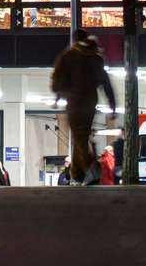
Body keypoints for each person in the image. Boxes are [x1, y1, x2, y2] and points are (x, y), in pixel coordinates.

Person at [51, 31, 117, 185]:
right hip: (90, 103)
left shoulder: (67, 56)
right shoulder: (96, 58)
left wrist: (59, 95)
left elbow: (57, 81)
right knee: (82, 135)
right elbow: (106, 83)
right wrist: (112, 104)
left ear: (74, 40)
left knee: (79, 135)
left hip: (74, 102)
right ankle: (77, 173)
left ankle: (90, 169)